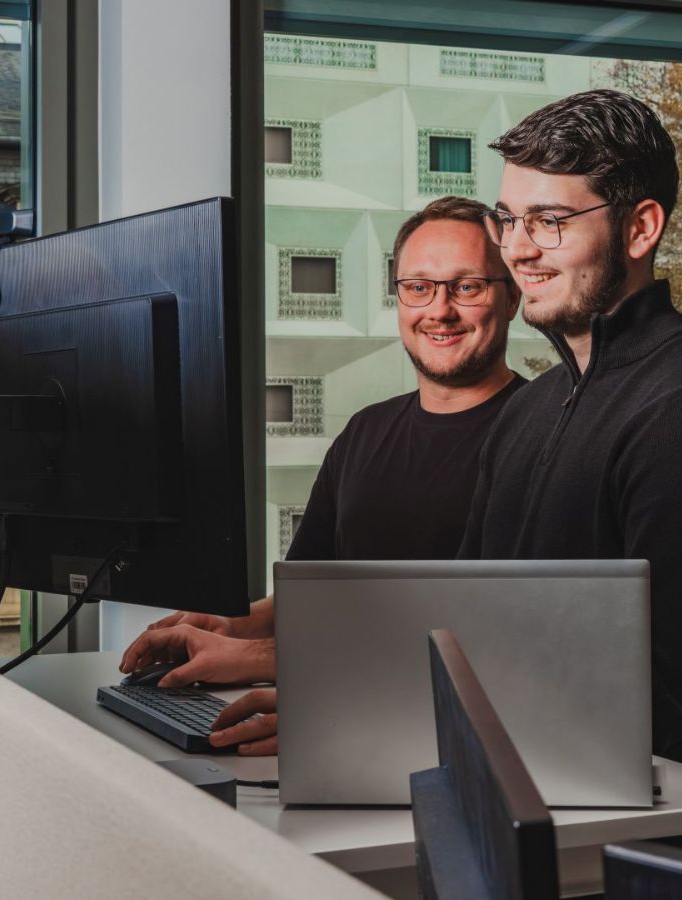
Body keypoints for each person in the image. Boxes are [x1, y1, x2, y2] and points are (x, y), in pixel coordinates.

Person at [118, 195, 524, 752]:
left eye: (467, 286)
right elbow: (320, 591)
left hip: (440, 743)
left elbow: (497, 640)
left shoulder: (542, 438)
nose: (440, 310)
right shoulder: (365, 432)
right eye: (418, 287)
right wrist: (233, 626)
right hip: (353, 720)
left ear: (514, 296)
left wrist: (266, 660)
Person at [461, 89, 682, 783]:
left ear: (640, 230)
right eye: (508, 219)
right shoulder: (528, 409)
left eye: (548, 221)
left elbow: (652, 707)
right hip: (516, 818)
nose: (516, 249)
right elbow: (461, 630)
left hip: (634, 859)